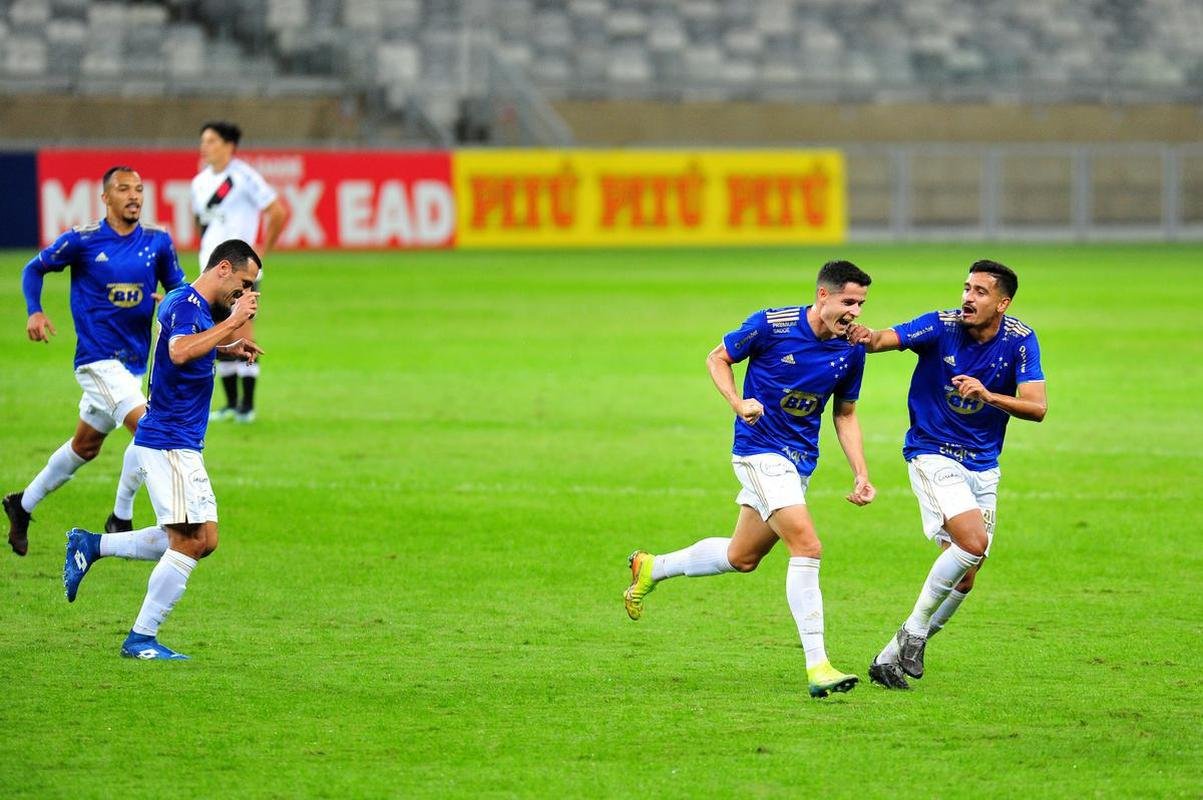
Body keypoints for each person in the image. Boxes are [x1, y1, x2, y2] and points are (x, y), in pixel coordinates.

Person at [624, 260, 878, 699]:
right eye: (848, 302)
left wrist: (861, 472)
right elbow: (717, 357)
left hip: (799, 463)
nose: (855, 312)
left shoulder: (852, 350)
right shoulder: (772, 324)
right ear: (823, 295)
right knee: (808, 546)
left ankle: (653, 566)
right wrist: (738, 403)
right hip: (759, 453)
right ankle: (818, 666)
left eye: (860, 304)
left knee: (742, 557)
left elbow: (845, 413)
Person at [846, 260, 1047, 690]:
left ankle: (888, 658)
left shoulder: (1021, 340)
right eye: (966, 288)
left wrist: (988, 394)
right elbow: (885, 338)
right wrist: (866, 337)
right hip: (932, 454)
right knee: (972, 543)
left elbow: (1038, 407)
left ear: (1002, 302)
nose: (967, 298)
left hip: (984, 465)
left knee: (967, 574)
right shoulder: (941, 325)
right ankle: (915, 635)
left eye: (979, 292)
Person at [63, 239, 263, 659]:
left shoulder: (186, 303)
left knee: (204, 539)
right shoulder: (189, 306)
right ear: (224, 268)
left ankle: (91, 545)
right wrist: (234, 325)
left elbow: (183, 353)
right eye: (244, 285)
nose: (244, 296)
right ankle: (141, 638)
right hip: (169, 440)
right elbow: (179, 350)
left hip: (181, 440)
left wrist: (227, 347)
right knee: (188, 541)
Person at [4, 166, 185, 556]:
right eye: (123, 189)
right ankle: (121, 516)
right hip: (98, 361)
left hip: (135, 364)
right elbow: (34, 268)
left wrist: (169, 302)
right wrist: (34, 310)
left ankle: (22, 504)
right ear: (105, 197)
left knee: (85, 447)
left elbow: (180, 290)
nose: (134, 195)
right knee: (152, 429)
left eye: (139, 188)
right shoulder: (83, 241)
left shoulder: (157, 242)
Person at [190, 120, 287, 424]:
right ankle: (231, 404)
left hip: (240, 273)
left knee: (242, 330)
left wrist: (261, 252)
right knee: (219, 334)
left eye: (211, 141)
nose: (204, 146)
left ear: (228, 145)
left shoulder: (244, 177)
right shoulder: (199, 182)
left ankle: (248, 405)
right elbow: (201, 221)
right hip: (211, 272)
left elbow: (278, 212)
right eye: (203, 140)